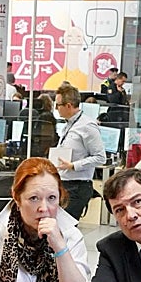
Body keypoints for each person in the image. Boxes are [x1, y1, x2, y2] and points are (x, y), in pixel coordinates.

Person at [51, 83, 105, 219]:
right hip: (63, 183)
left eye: (58, 105)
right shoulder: (68, 124)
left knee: (64, 229)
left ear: (68, 105)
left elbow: (100, 157)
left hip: (77, 187)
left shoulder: (87, 126)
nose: (56, 108)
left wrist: (73, 165)